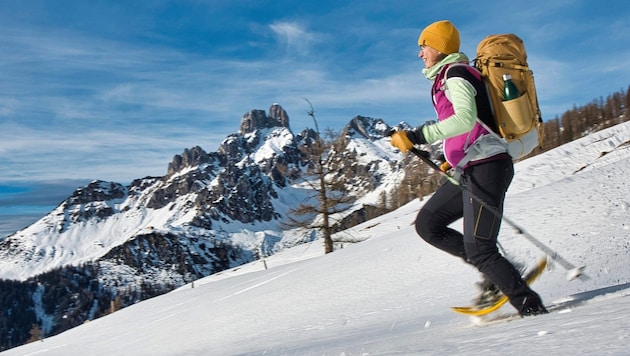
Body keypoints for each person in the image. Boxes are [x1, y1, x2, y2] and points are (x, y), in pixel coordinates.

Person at [390, 20, 548, 317]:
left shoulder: (457, 74)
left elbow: (464, 119)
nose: (420, 53)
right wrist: (452, 156)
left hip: (487, 167)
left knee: (481, 249)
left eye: (424, 46)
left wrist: (417, 136)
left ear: (440, 46)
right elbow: (472, 127)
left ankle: (530, 307)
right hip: (469, 167)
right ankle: (499, 273)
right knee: (429, 225)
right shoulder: (448, 77)